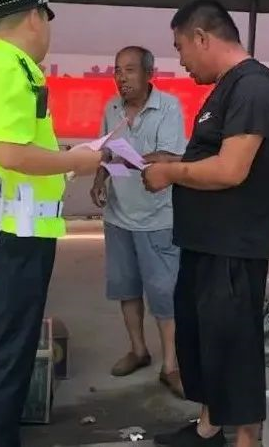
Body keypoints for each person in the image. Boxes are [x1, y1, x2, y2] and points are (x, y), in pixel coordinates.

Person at [0, 0, 102, 447]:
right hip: (13, 231)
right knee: (9, 349)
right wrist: (76, 161)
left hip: (5, 225)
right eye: (48, 19)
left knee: (1, 345)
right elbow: (11, 154)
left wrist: (62, 160)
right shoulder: (10, 67)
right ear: (35, 18)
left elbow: (15, 149)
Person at [142, 0, 269, 447]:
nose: (181, 61)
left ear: (202, 37)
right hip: (205, 241)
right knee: (204, 340)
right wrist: (171, 160)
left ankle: (247, 437)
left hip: (233, 245)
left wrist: (170, 173)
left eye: (180, 48)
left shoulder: (254, 87)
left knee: (233, 345)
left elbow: (230, 169)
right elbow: (211, 156)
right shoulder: (227, 88)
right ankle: (208, 428)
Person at [90, 46, 186, 396]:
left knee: (164, 293)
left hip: (158, 217)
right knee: (126, 287)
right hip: (119, 216)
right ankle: (138, 350)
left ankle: (171, 365)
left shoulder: (169, 107)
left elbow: (171, 157)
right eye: (117, 70)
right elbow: (106, 152)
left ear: (149, 74)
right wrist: (100, 180)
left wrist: (128, 160)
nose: (121, 77)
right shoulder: (111, 109)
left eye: (129, 70)